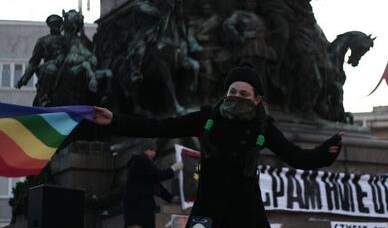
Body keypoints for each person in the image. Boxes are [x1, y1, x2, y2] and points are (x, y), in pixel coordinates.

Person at [93, 62, 343, 228]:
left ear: (256, 100)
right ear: (225, 93)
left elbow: (296, 157)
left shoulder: (263, 127)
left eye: (244, 94)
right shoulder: (205, 118)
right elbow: (161, 127)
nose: (237, 96)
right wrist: (115, 119)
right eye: (233, 91)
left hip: (247, 216)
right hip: (208, 213)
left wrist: (324, 154)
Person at [123, 140, 183, 228]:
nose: (154, 153)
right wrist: (173, 169)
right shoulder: (141, 160)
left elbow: (155, 185)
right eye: (152, 150)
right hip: (138, 210)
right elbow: (158, 176)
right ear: (145, 150)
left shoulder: (138, 164)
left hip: (138, 210)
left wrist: (170, 198)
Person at [16, 14, 66, 106]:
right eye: (53, 25)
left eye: (57, 24)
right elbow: (34, 61)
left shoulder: (67, 40)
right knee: (51, 69)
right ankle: (44, 97)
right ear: (50, 26)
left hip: (65, 64)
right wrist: (24, 79)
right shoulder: (43, 41)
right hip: (49, 65)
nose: (56, 27)